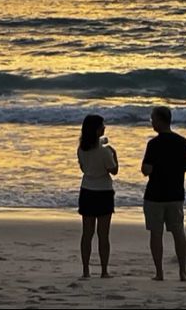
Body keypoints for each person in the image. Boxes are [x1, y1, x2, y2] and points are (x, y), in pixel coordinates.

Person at [141, 105, 186, 281]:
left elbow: (146, 169)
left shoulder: (153, 144)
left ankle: (159, 272)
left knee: (156, 234)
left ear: (160, 120)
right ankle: (182, 271)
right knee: (179, 232)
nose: (151, 122)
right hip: (176, 193)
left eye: (153, 119)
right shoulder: (182, 141)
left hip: (155, 194)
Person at [77, 114, 118, 278]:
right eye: (102, 125)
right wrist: (115, 155)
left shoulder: (81, 149)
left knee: (87, 233)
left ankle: (86, 269)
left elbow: (83, 168)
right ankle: (104, 270)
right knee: (103, 234)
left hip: (87, 189)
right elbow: (114, 170)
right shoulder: (104, 152)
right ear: (96, 130)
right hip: (103, 192)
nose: (104, 127)